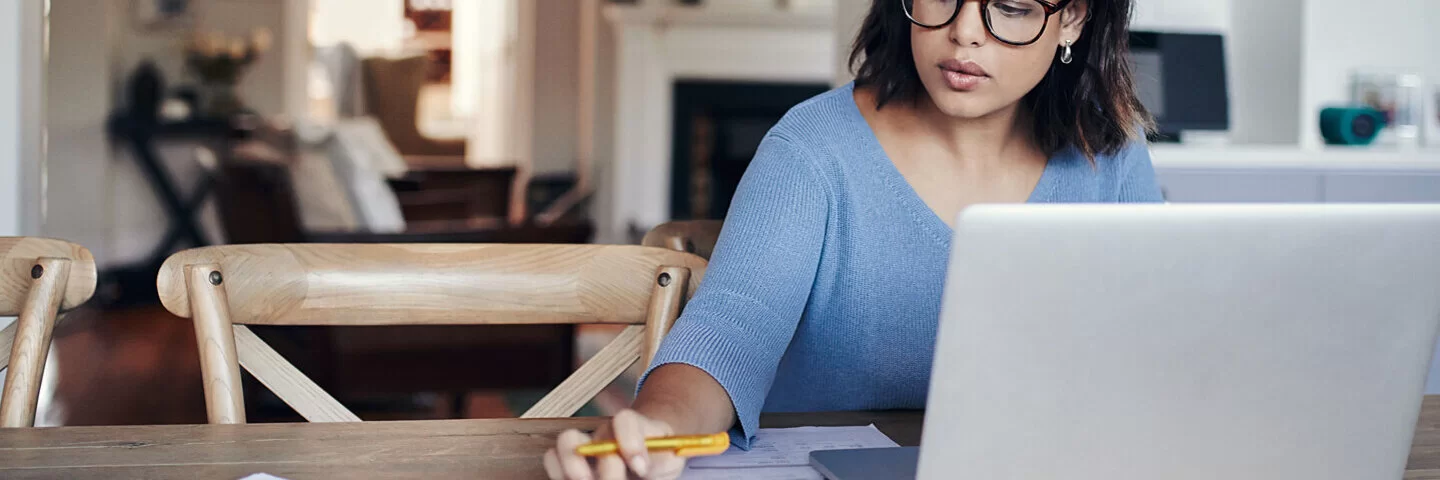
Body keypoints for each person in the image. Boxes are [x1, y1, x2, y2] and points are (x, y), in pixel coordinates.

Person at [546, 0, 1158, 478]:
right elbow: (729, 332)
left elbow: (1154, 353)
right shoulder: (811, 149)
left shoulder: (1112, 158)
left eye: (1013, 9)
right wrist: (656, 426)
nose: (964, 32)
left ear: (1073, 17)